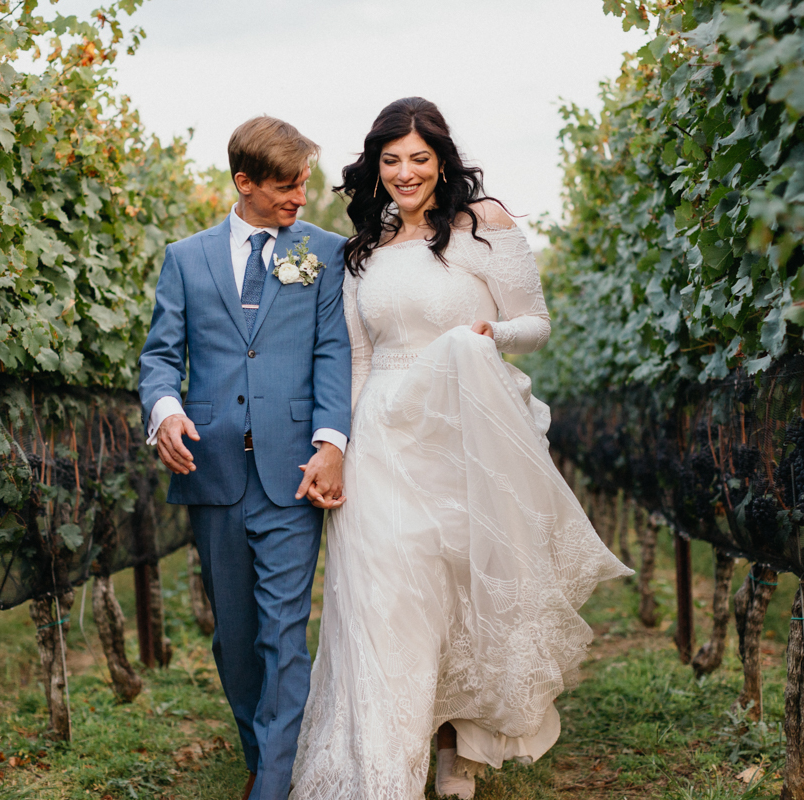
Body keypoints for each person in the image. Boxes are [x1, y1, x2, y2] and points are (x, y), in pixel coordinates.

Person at [290, 97, 632, 800]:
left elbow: (534, 323)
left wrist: (490, 337)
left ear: (441, 160)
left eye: (419, 158)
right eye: (392, 161)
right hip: (384, 431)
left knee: (462, 591)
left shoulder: (486, 226)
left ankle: (462, 747)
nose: (406, 173)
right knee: (387, 596)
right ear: (376, 168)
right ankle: (383, 765)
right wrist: (342, 447)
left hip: (464, 427)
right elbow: (357, 358)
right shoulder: (365, 248)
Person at [138, 116, 351, 800]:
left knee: (285, 632)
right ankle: (264, 754)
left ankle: (273, 786)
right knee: (236, 636)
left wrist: (331, 442)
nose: (299, 199)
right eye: (286, 188)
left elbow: (332, 354)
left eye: (303, 186)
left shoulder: (326, 252)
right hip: (213, 469)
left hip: (293, 470)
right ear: (244, 183)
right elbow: (161, 358)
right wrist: (165, 412)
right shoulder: (186, 257)